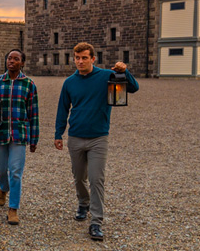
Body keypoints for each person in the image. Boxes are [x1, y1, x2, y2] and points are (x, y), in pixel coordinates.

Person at [54, 42, 138, 242]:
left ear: (93, 58)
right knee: (79, 177)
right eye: (77, 58)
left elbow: (133, 88)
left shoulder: (106, 76)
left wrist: (125, 72)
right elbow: (62, 109)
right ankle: (83, 203)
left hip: (98, 138)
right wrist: (58, 134)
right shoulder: (69, 82)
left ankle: (96, 222)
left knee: (96, 179)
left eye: (84, 57)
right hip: (75, 137)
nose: (80, 61)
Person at [0, 49, 39, 226]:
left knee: (16, 172)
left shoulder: (28, 84)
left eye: (16, 59)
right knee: (0, 169)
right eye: (9, 58)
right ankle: (3, 189)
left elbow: (33, 114)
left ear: (22, 63)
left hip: (19, 134)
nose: (11, 61)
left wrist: (33, 139)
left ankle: (13, 208)